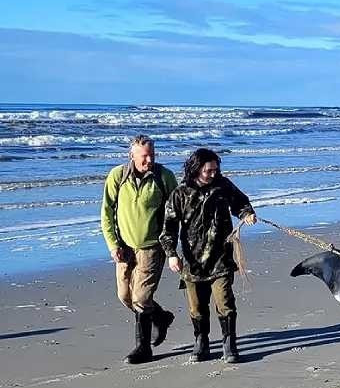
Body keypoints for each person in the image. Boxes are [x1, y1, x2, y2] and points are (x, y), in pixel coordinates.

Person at [160, 148, 257, 363]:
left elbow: (240, 202)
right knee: (196, 306)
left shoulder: (223, 186)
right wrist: (171, 255)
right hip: (192, 262)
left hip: (221, 257)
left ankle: (229, 343)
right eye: (209, 170)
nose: (214, 173)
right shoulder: (180, 193)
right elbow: (168, 228)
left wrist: (247, 213)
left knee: (225, 301)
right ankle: (201, 341)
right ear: (196, 169)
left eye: (216, 169)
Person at [99, 134, 178, 364]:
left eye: (152, 155)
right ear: (131, 155)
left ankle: (143, 348)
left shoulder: (164, 177)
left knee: (141, 297)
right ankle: (161, 317)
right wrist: (113, 244)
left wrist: (171, 246)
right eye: (144, 156)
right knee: (125, 296)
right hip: (124, 248)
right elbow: (106, 213)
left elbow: (175, 212)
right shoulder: (117, 176)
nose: (149, 160)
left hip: (152, 247)